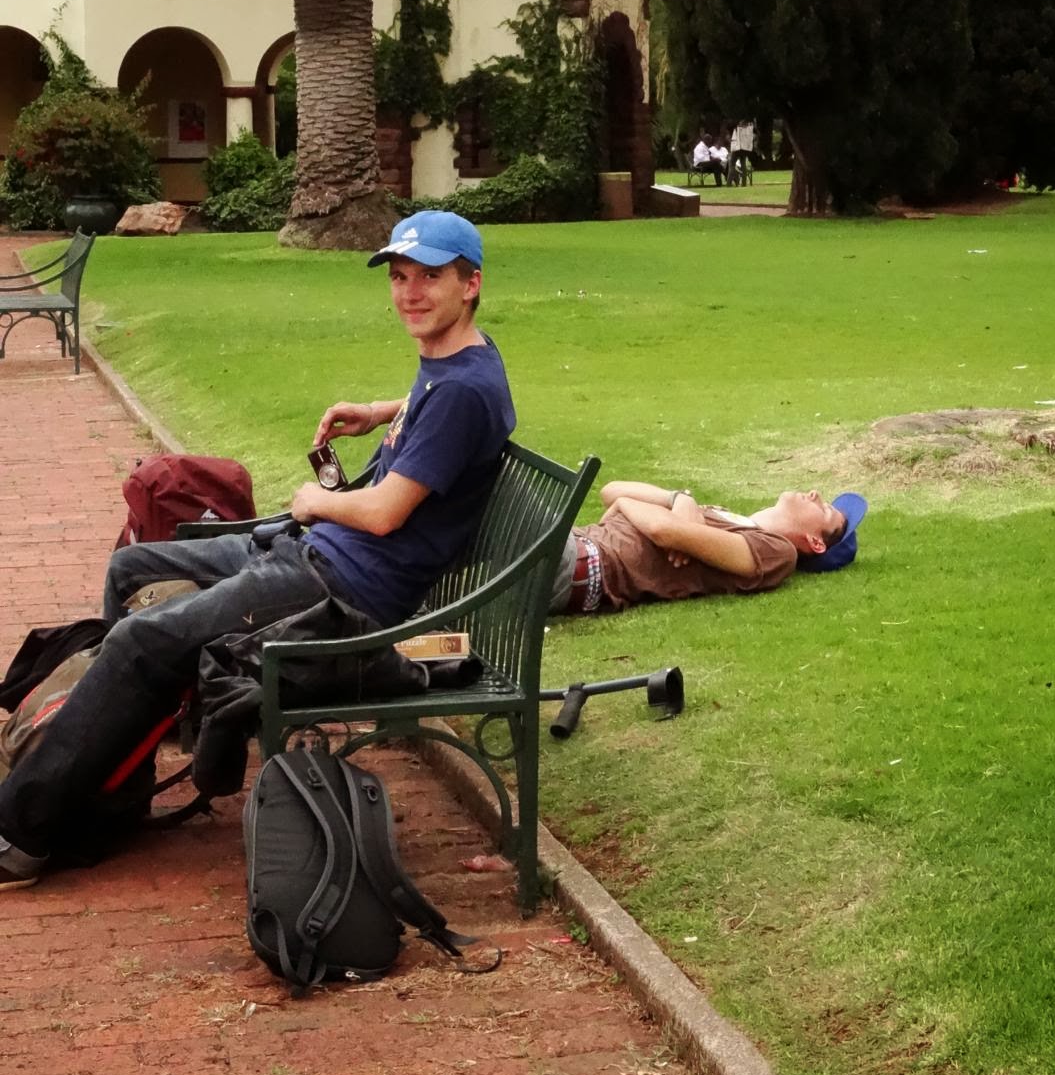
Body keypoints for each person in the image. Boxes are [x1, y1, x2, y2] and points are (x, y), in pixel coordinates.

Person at [0, 211, 516, 890]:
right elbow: (437, 399)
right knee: (133, 568)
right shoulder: (463, 360)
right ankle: (113, 773)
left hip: (339, 593)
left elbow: (385, 512)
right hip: (311, 558)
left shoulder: (463, 392)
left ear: (470, 284)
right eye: (399, 277)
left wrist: (313, 501)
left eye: (430, 277)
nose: (410, 293)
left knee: (141, 640)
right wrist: (379, 411)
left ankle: (20, 833)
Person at [549, 480, 867, 615]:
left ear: (815, 543)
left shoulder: (776, 553)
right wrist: (678, 498)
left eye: (824, 509)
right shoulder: (727, 516)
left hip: (580, 564)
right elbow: (610, 490)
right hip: (570, 541)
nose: (814, 494)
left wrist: (626, 505)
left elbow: (664, 531)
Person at [729, 120, 756, 187]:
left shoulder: (738, 129)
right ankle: (744, 183)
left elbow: (734, 139)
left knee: (732, 165)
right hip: (744, 149)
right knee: (743, 166)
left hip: (737, 149)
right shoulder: (749, 130)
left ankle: (729, 183)